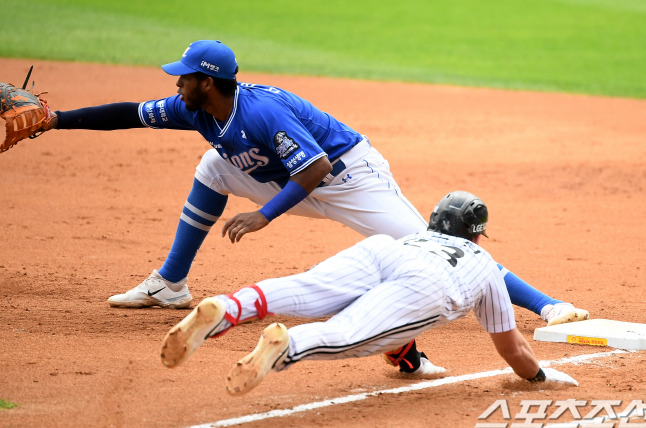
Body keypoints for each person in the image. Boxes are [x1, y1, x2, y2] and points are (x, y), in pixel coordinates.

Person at [43, 40, 585, 332]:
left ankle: (548, 305)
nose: (174, 82)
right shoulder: (199, 109)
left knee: (433, 246)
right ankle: (170, 283)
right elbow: (128, 113)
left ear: (207, 82)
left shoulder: (260, 113)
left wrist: (264, 216)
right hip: (288, 176)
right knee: (213, 168)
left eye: (183, 75)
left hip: (349, 177)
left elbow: (317, 170)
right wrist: (55, 120)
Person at [160, 191, 579, 395]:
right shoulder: (485, 266)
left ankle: (231, 307)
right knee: (350, 332)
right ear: (477, 234)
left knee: (304, 287)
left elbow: (400, 327)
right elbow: (513, 348)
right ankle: (287, 345)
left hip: (383, 250)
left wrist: (412, 364)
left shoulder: (415, 236)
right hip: (427, 283)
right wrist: (538, 376)